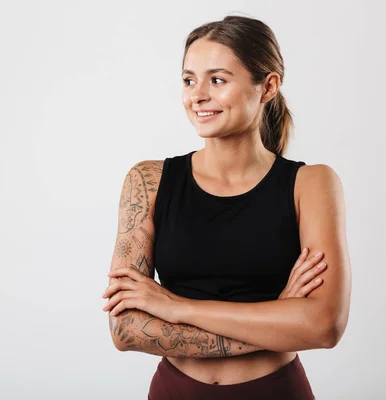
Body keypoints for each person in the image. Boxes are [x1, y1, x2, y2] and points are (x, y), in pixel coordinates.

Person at [101, 14, 351, 399]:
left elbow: (323, 327)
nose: (197, 94)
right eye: (189, 80)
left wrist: (174, 305)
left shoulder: (311, 184)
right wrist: (278, 318)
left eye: (217, 79)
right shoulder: (148, 182)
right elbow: (126, 330)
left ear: (267, 86)